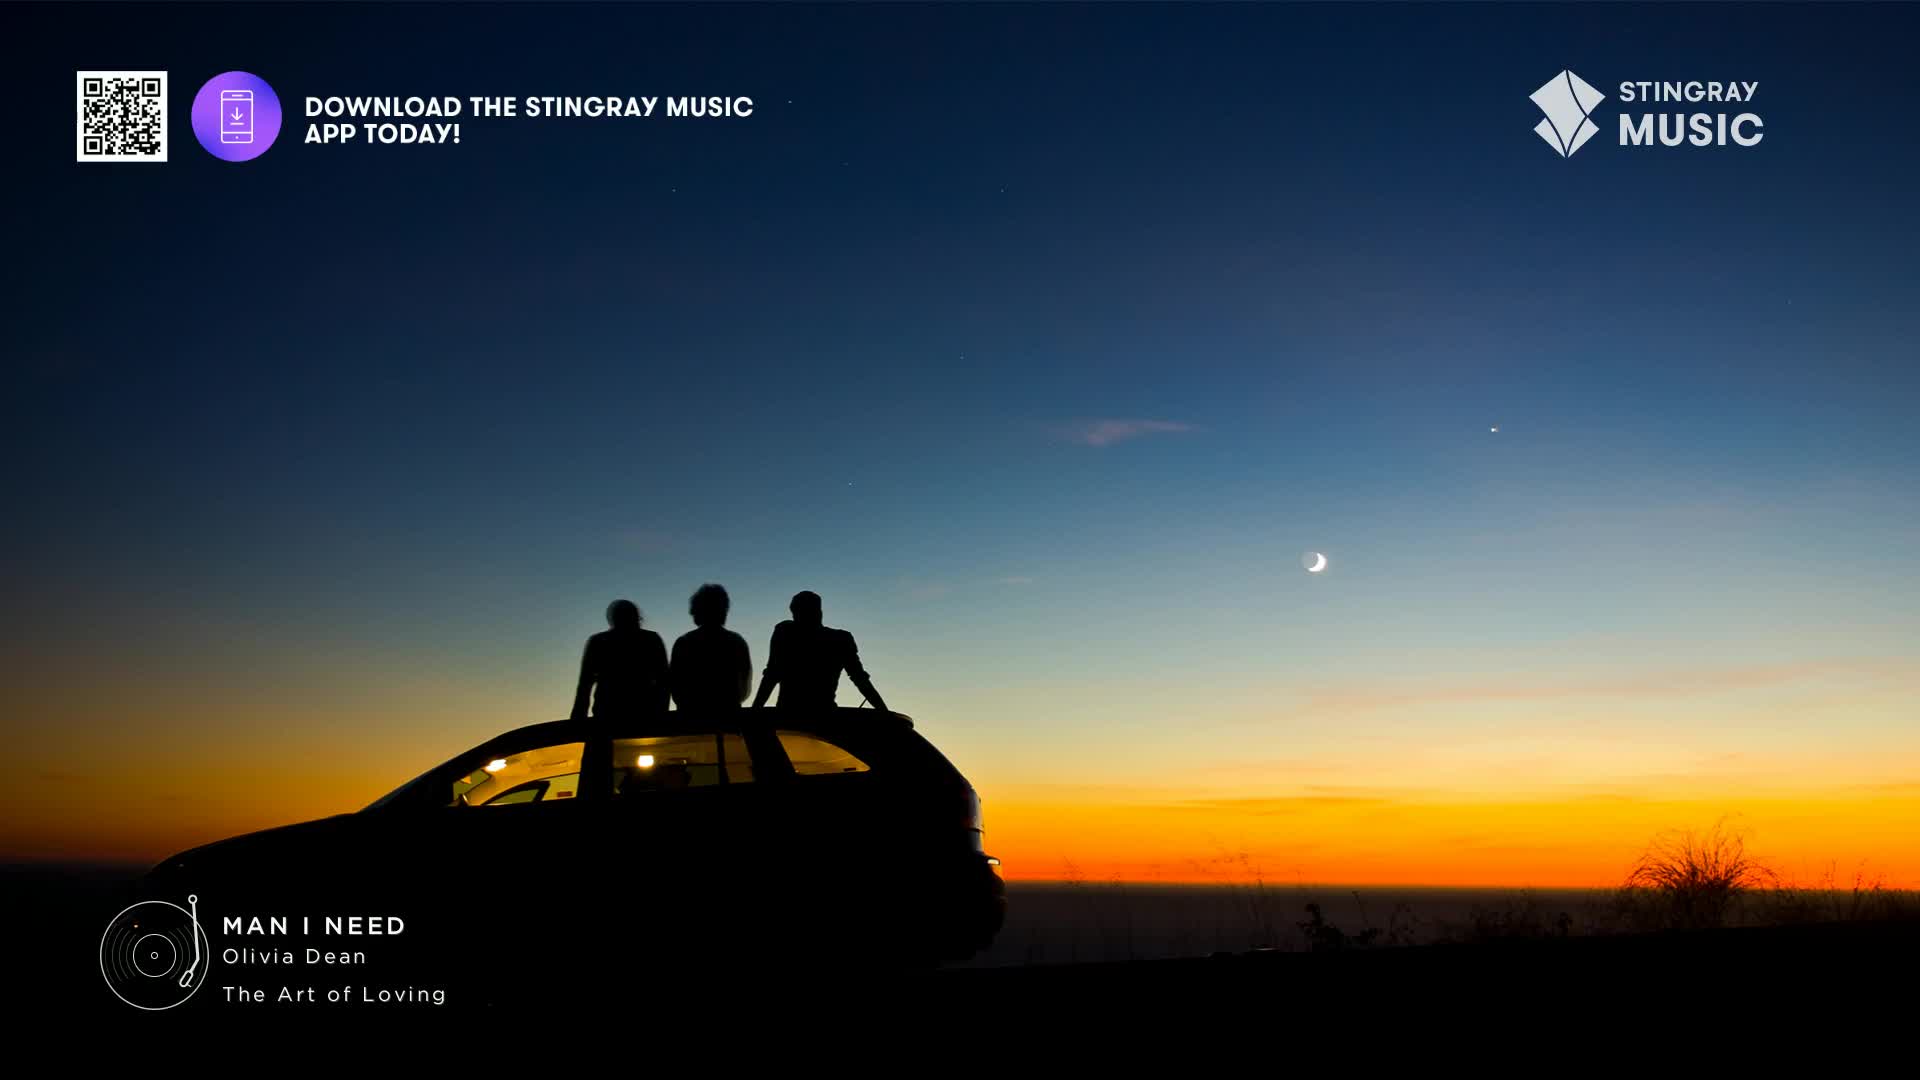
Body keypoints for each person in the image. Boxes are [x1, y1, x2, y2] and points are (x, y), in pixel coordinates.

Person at [751, 590, 888, 712]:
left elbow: (772, 674)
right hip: (812, 716)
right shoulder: (840, 639)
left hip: (794, 716)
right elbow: (860, 679)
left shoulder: (785, 631)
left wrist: (755, 710)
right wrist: (885, 712)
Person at [570, 599, 668, 720]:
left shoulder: (598, 641)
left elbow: (585, 684)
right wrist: (662, 711)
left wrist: (578, 716)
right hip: (640, 711)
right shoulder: (652, 639)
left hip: (609, 713)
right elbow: (664, 680)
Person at [668, 583, 752, 711]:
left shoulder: (684, 643)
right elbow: (743, 686)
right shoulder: (736, 642)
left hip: (691, 716)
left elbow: (676, 686)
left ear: (696, 610)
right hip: (728, 714)